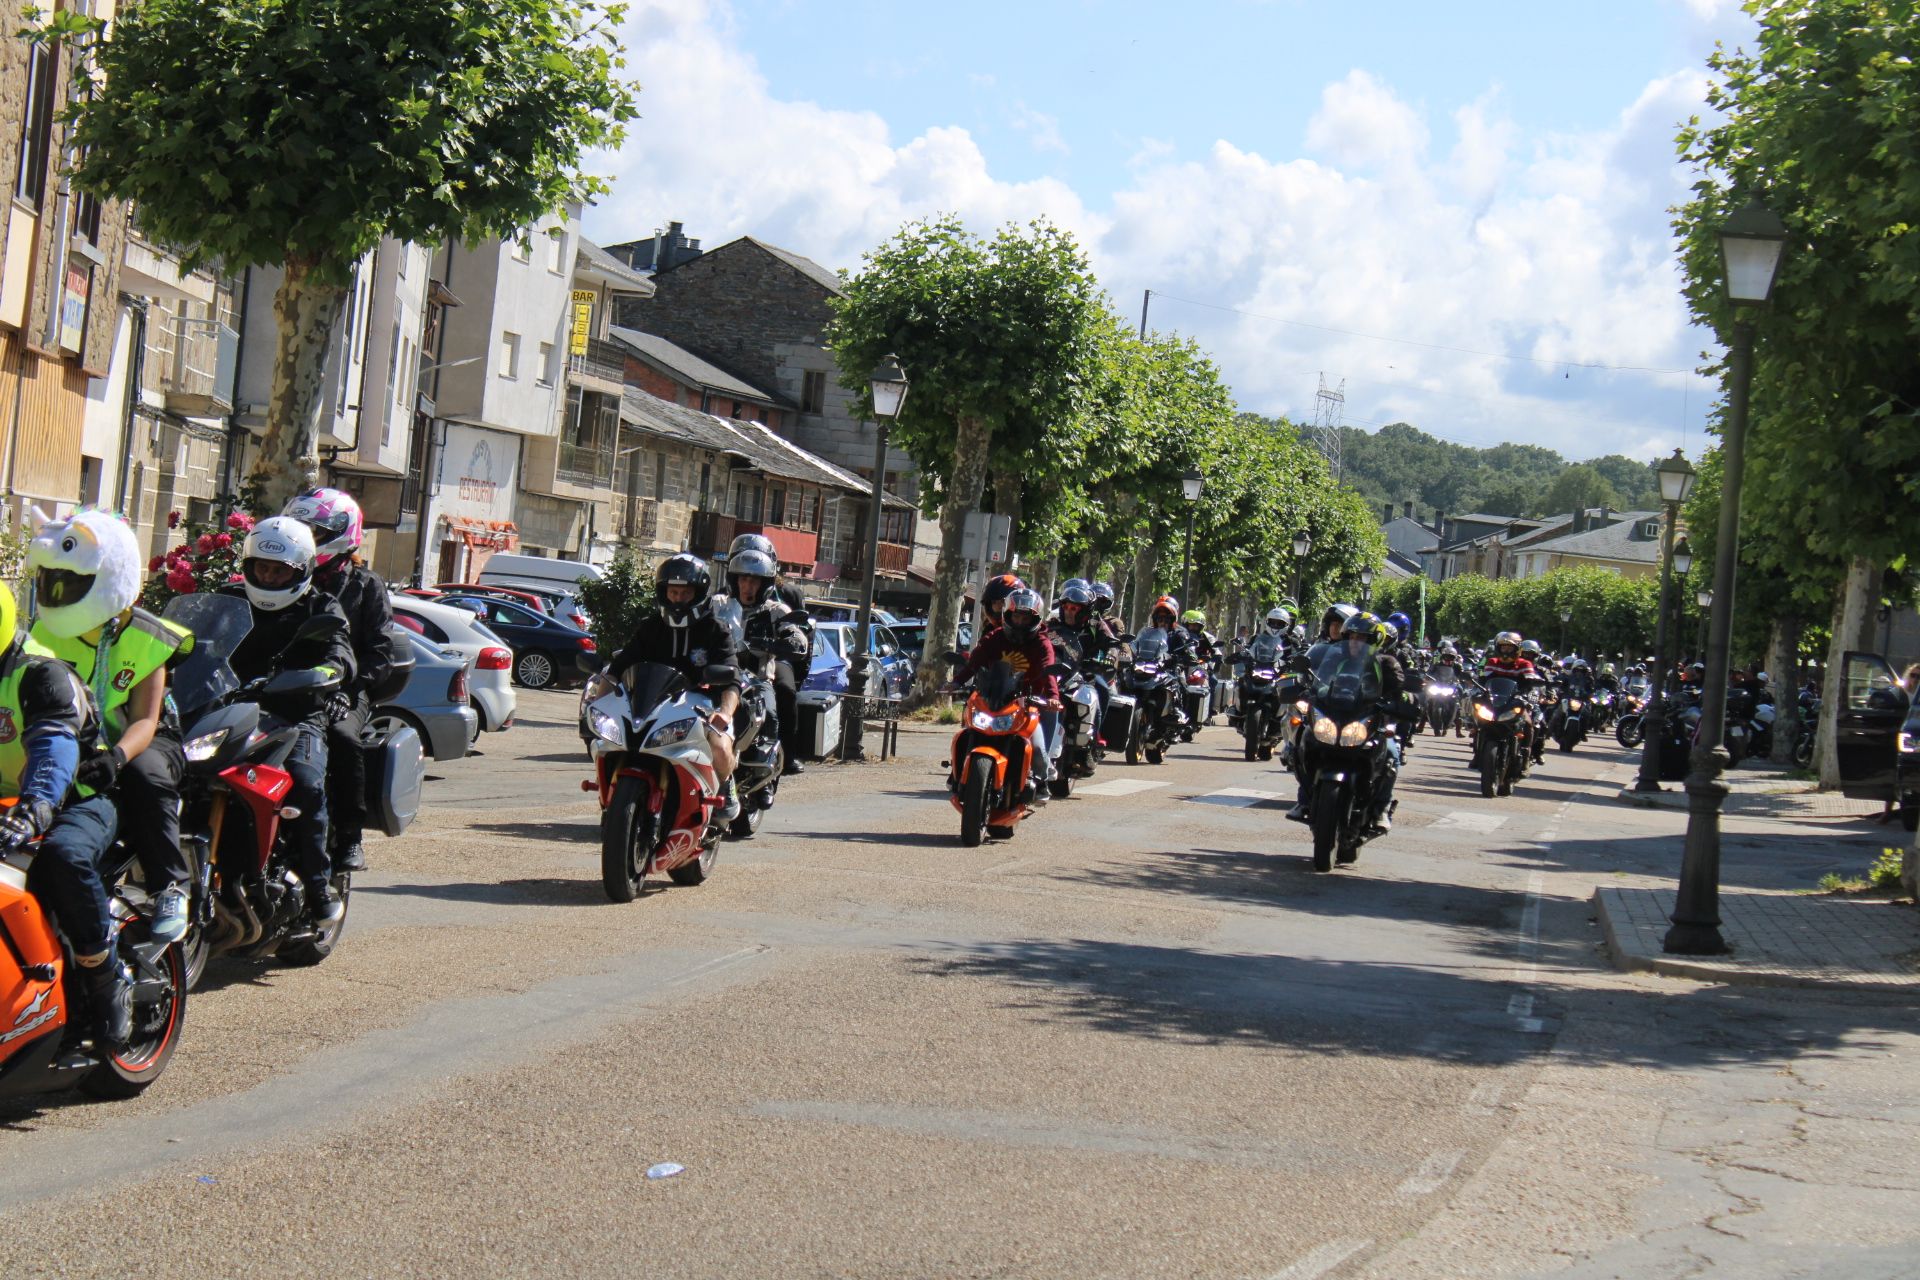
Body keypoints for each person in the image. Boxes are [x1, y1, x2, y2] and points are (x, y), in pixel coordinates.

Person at [27, 509, 193, 944]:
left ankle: (170, 885)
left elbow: (145, 718)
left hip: (143, 740)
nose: (58, 592)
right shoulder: (42, 635)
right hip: (77, 737)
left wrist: (116, 757)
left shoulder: (149, 636)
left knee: (143, 774)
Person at [220, 517, 357, 926]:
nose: (268, 575)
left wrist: (329, 671)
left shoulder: (320, 607)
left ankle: (317, 887)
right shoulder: (228, 599)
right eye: (262, 567)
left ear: (300, 571)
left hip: (296, 717)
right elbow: (193, 638)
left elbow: (341, 652)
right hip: (228, 711)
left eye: (279, 570)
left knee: (307, 782)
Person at [284, 487, 392, 875]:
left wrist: (347, 691)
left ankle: (350, 836)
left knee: (344, 737)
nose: (308, 538)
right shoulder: (288, 576)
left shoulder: (365, 585)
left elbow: (381, 651)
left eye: (316, 530)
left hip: (347, 690)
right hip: (287, 685)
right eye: (302, 529)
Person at [605, 554, 742, 819]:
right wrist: (599, 702)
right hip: (656, 705)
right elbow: (617, 670)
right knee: (611, 742)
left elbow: (732, 679)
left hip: (704, 705)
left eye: (685, 593)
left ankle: (726, 784)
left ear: (699, 594)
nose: (678, 599)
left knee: (720, 748)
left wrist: (724, 713)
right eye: (673, 592)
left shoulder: (716, 630)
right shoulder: (651, 628)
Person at [951, 587, 1059, 793]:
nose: (1019, 622)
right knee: (966, 733)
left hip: (1027, 702)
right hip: (991, 697)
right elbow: (974, 662)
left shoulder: (1042, 643)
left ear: (1034, 620)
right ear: (1007, 615)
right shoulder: (994, 637)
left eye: (1025, 618)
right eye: (1016, 616)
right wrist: (956, 683)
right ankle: (956, 775)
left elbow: (1048, 672)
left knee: (1036, 749)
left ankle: (1041, 781)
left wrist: (1053, 697)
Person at [724, 547, 810, 775]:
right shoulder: (717, 604)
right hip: (720, 675)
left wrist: (784, 643)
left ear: (765, 583)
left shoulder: (777, 608)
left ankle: (767, 767)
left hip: (756, 676)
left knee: (770, 711)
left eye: (754, 581)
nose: (747, 586)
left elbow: (798, 635)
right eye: (743, 579)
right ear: (735, 579)